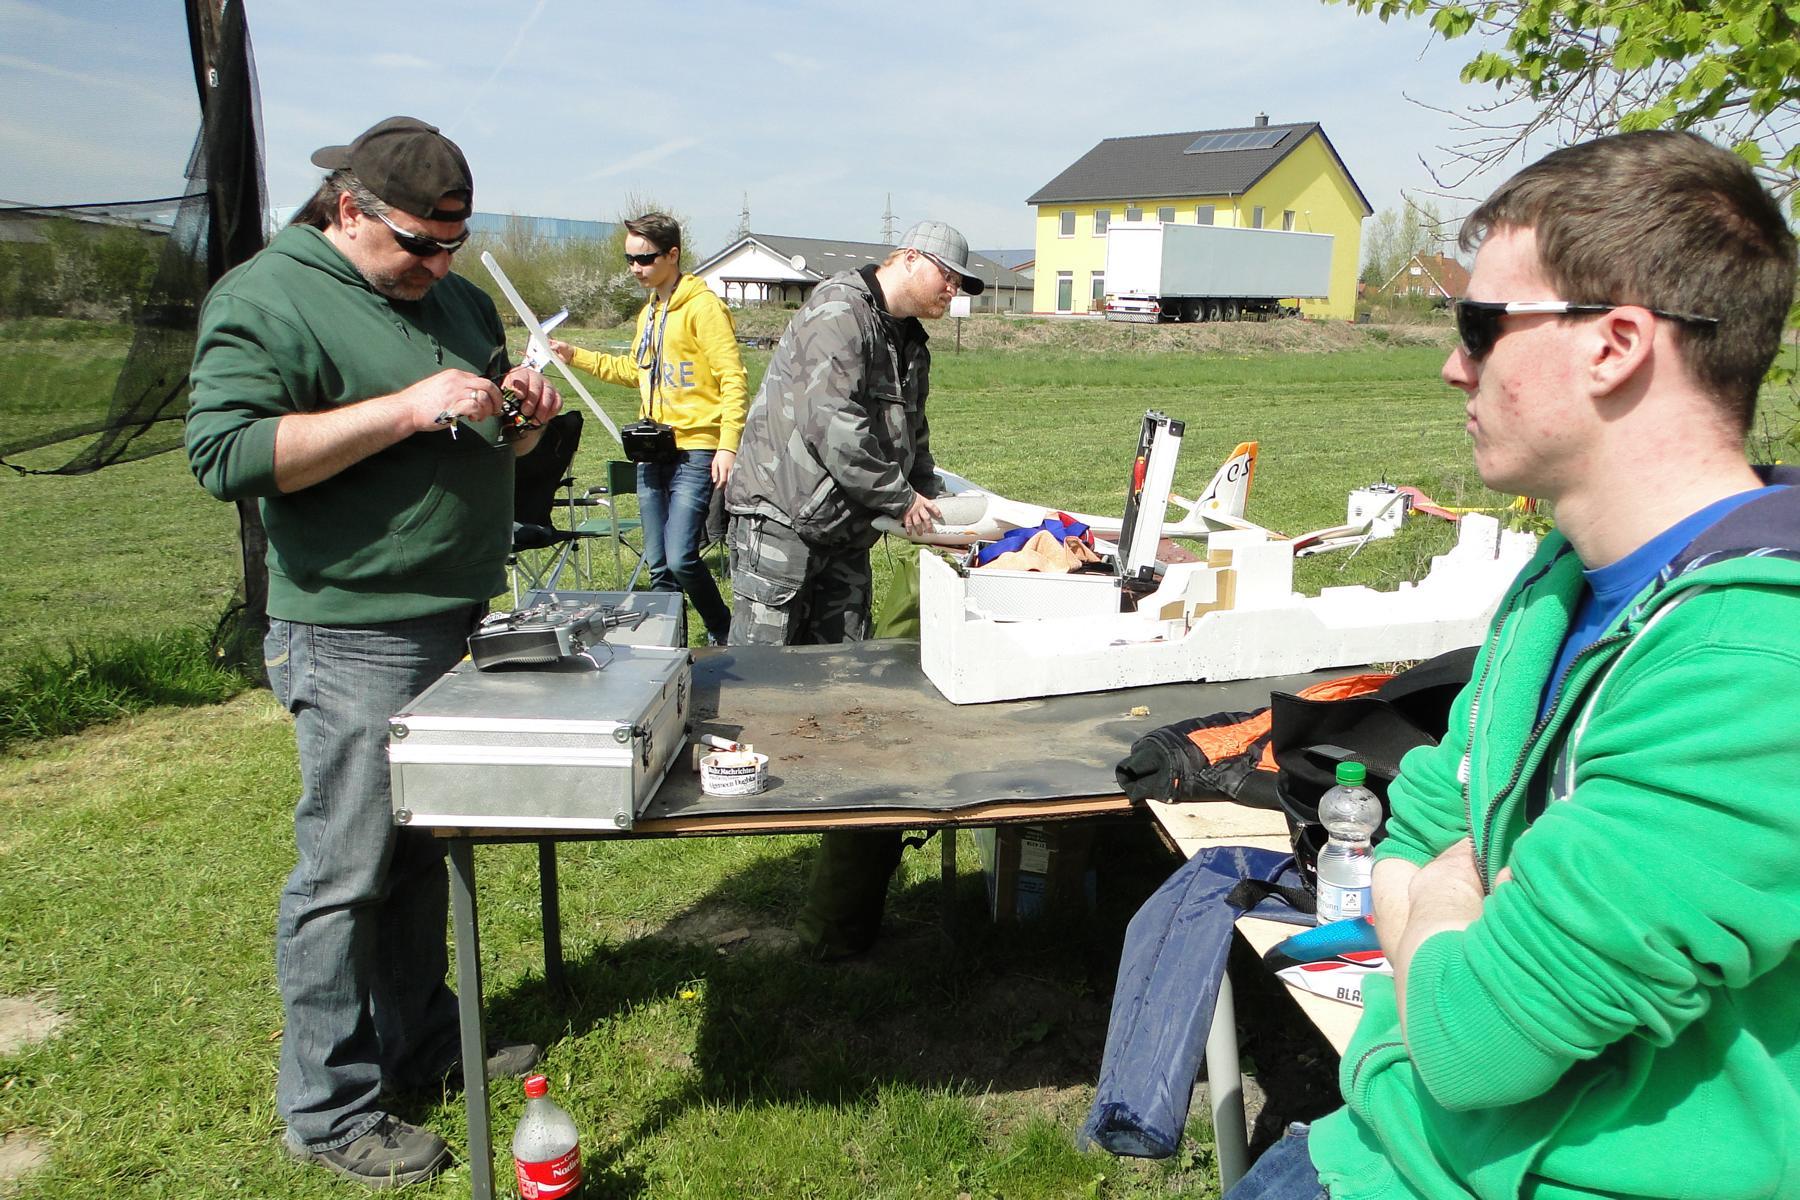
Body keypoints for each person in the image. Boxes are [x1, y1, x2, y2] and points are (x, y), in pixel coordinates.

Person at [1227, 130, 1800, 1200]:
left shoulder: (1758, 661)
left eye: (1482, 326)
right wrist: (1445, 922)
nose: (1454, 364)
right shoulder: (1560, 581)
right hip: (1383, 1146)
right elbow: (1414, 831)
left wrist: (1434, 922)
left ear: (1615, 344)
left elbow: (1471, 1041)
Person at [185, 116, 560, 1189]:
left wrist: (524, 419)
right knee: (345, 875)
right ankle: (327, 1108)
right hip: (351, 632)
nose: (439, 266)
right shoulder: (268, 298)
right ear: (349, 209)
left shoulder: (455, 300)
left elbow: (486, 429)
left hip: (453, 617)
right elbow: (225, 453)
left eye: (454, 244)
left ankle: (423, 1042)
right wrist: (402, 409)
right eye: (419, 245)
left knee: (416, 858)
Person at [725, 219, 984, 958]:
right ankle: (735, 804)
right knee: (759, 670)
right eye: (948, 278)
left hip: (845, 525)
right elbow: (832, 423)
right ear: (909, 259)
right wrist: (902, 502)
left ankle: (826, 807)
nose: (954, 293)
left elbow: (912, 438)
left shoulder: (910, 343)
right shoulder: (840, 312)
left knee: (844, 671)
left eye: (961, 285)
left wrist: (935, 502)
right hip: (783, 514)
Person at [548, 213, 747, 644]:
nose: (635, 268)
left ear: (672, 254)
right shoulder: (649, 313)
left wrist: (727, 445)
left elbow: (733, 378)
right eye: (629, 260)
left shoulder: (703, 308)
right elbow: (635, 371)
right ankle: (668, 649)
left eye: (645, 259)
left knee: (680, 558)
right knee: (658, 566)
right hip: (650, 450)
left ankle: (723, 630)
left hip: (695, 449)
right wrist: (574, 355)